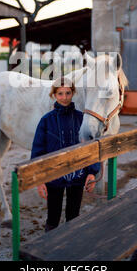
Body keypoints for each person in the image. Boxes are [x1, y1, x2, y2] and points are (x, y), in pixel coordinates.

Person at [31, 77, 100, 232]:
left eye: (68, 93)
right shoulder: (46, 121)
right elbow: (37, 151)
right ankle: (49, 247)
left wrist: (91, 173)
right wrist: (39, 180)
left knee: (73, 215)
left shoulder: (81, 118)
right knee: (53, 216)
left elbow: (90, 148)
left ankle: (71, 243)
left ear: (73, 93)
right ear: (54, 95)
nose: (64, 97)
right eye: (60, 93)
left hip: (77, 177)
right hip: (54, 177)